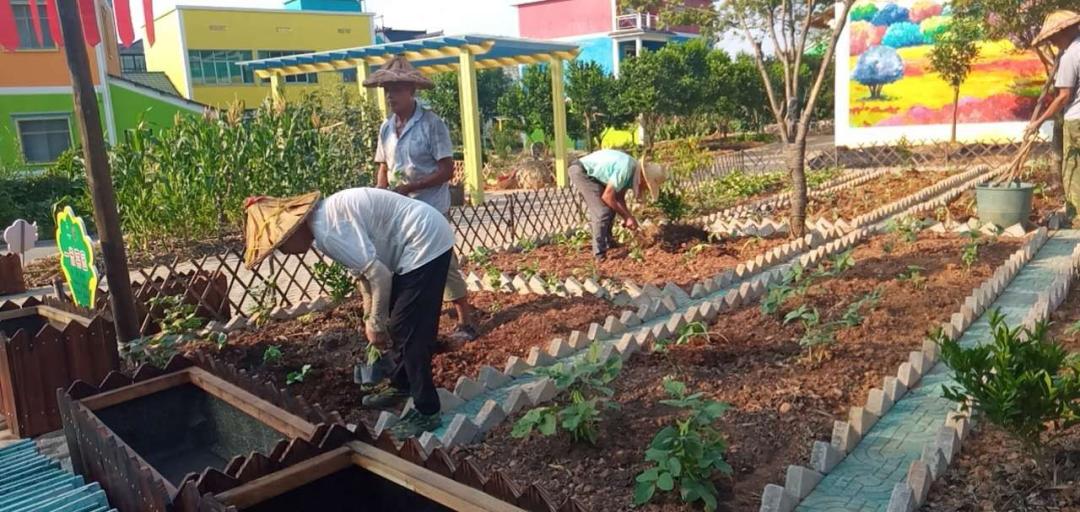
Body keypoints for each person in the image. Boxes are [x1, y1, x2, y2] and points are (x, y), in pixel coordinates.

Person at [243, 189, 452, 438]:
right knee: (400, 321)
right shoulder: (321, 230)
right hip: (414, 242)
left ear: (293, 229)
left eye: (281, 244)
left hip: (424, 240)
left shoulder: (327, 230)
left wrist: (376, 321)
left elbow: (380, 276)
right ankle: (402, 384)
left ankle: (427, 410)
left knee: (408, 328)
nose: (284, 252)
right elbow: (365, 278)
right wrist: (369, 318)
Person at [364, 55, 478, 342]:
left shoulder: (431, 124)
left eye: (397, 89)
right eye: (387, 89)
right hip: (399, 210)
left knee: (443, 262)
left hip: (430, 207)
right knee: (402, 263)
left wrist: (411, 186)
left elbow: (447, 170)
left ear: (411, 91)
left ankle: (466, 320)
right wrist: (380, 196)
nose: (391, 95)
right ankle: (409, 318)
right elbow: (383, 167)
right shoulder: (386, 128)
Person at [1026, 10, 1080, 222]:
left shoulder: (1071, 56)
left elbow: (1063, 96)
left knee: (1073, 172)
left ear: (1063, 33)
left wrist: (1038, 122)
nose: (1054, 43)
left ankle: (1077, 221)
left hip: (1076, 121)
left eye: (1053, 38)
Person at [568, 149, 668, 260]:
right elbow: (608, 196)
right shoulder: (626, 169)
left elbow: (619, 198)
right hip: (582, 172)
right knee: (602, 212)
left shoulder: (631, 170)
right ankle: (599, 254)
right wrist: (627, 217)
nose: (645, 189)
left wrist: (628, 217)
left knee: (611, 208)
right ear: (644, 178)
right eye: (647, 186)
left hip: (592, 175)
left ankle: (609, 242)